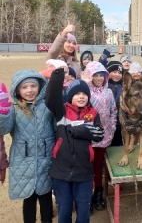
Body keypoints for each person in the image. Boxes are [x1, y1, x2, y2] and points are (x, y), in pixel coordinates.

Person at [45, 68, 104, 223]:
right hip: (61, 171)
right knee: (64, 210)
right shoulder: (62, 111)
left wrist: (78, 130)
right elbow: (50, 98)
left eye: (84, 94)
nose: (81, 97)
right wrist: (57, 76)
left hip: (84, 171)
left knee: (83, 210)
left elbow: (99, 134)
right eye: (77, 93)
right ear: (70, 96)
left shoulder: (93, 113)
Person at [0, 70, 56, 223]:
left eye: (33, 86)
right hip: (23, 163)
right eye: (24, 87)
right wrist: (3, 113)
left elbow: (56, 130)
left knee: (46, 199)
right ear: (17, 90)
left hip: (46, 161)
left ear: (40, 87)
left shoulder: (47, 107)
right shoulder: (15, 109)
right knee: (29, 200)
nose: (29, 90)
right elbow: (3, 129)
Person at [81, 61, 117, 213]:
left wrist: (112, 126)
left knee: (98, 167)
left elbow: (113, 111)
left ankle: (98, 194)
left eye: (101, 75)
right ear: (90, 76)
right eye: (96, 75)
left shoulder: (108, 92)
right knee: (87, 168)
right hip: (88, 137)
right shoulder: (85, 92)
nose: (99, 78)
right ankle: (87, 197)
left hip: (104, 135)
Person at [106, 61, 124, 146]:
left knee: (118, 144)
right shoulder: (104, 85)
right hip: (106, 122)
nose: (117, 75)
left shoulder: (124, 86)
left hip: (120, 123)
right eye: (114, 72)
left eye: (120, 73)